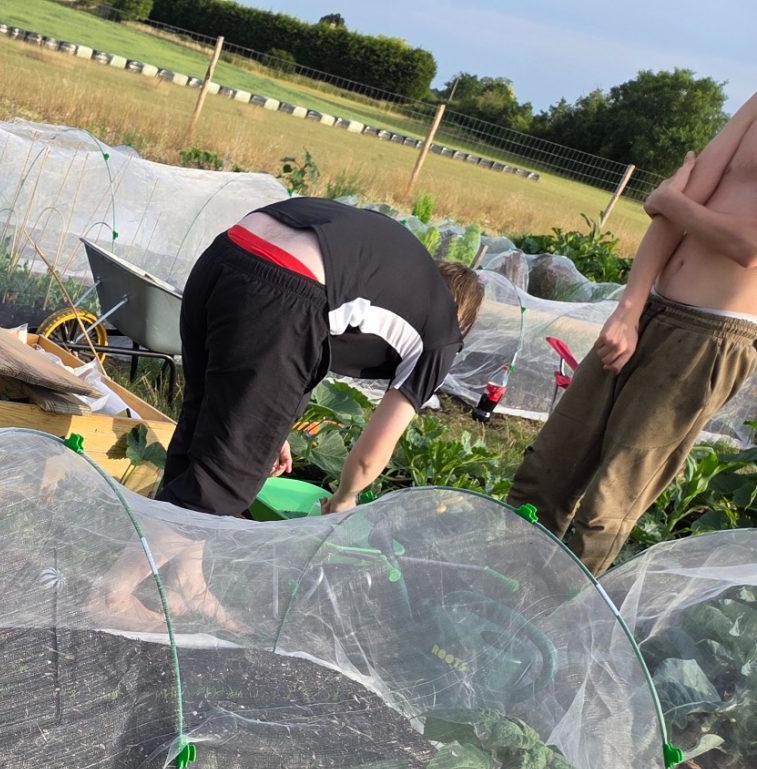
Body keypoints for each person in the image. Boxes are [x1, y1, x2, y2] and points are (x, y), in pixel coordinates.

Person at [506, 92, 757, 575]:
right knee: (545, 471)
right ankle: (499, 586)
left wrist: (672, 201)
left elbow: (746, 246)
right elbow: (675, 205)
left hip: (709, 339)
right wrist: (628, 308)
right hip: (649, 310)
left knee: (607, 506)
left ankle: (553, 616)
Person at [156, 197, 485, 519]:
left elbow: (308, 343)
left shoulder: (391, 272)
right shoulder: (442, 333)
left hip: (228, 250)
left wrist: (272, 431)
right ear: (463, 322)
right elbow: (369, 459)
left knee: (197, 431)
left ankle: (173, 567)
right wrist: (344, 498)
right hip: (281, 289)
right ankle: (127, 572)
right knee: (221, 486)